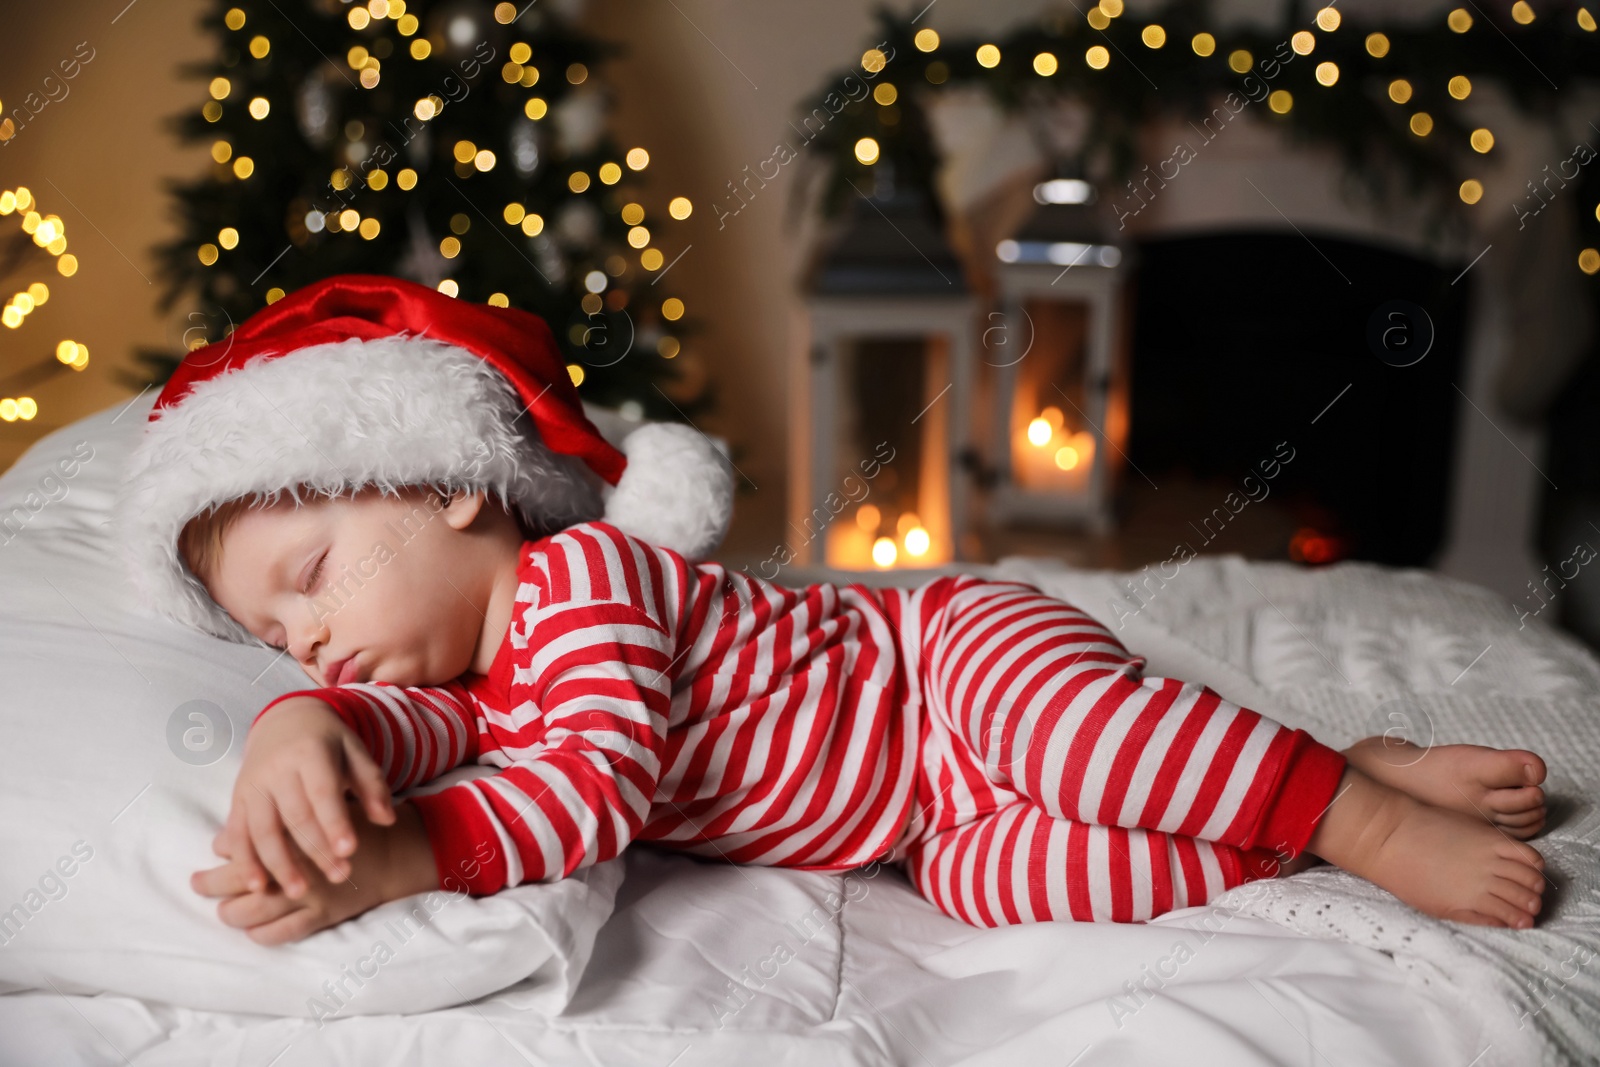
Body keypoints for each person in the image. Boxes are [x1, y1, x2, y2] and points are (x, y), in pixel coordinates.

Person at [112, 276, 1548, 948]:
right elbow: (403, 728)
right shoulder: (474, 690)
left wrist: (407, 857)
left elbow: (594, 785)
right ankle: (1311, 804)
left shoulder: (585, 580)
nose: (304, 632)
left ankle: (1364, 818)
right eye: (275, 631)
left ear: (449, 490)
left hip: (943, 668)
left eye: (310, 578)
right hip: (919, 822)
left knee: (1082, 742)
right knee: (1020, 889)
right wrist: (300, 734)